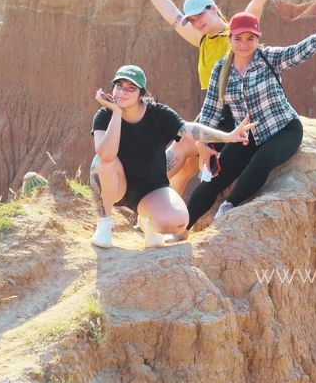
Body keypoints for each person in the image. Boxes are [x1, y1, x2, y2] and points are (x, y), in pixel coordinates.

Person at [134, 0, 279, 195]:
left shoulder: (235, 34)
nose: (196, 22)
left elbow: (257, 2)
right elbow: (170, 13)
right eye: (192, 19)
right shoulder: (202, 40)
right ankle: (166, 218)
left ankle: (143, 196)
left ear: (213, 8)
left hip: (233, 110)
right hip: (213, 110)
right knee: (187, 165)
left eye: (200, 15)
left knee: (179, 148)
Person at [184, 4, 316, 224]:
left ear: (258, 39)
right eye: (238, 38)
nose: (244, 44)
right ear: (230, 39)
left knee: (262, 160)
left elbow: (297, 52)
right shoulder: (220, 70)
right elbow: (210, 111)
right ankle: (181, 226)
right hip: (246, 135)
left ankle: (228, 206)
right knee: (214, 180)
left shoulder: (268, 58)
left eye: (250, 38)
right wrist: (203, 144)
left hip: (283, 129)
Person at [90, 64, 252, 249]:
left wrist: (228, 137)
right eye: (119, 86)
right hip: (117, 184)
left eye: (131, 88)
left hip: (149, 190)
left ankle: (148, 222)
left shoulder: (158, 114)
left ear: (141, 94)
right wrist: (117, 113)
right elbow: (106, 154)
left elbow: (190, 129)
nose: (123, 93)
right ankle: (104, 224)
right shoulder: (104, 115)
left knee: (178, 222)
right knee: (102, 163)